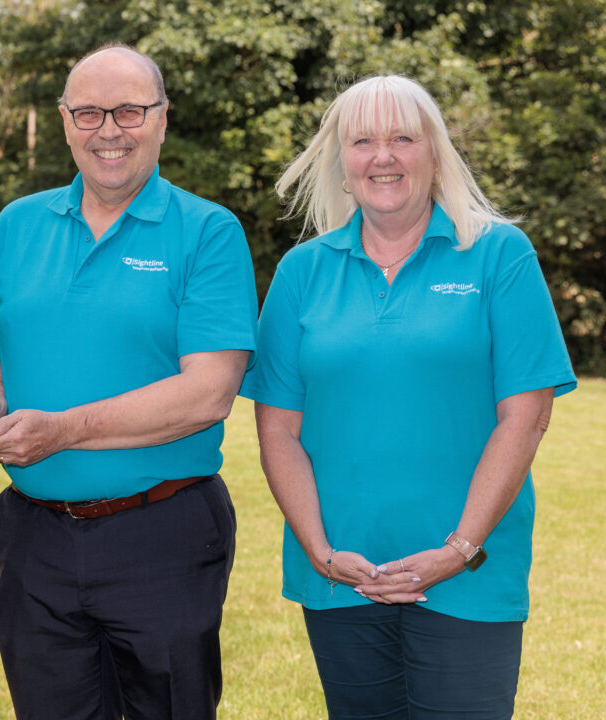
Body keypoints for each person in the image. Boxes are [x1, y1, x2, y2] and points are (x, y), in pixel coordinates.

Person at [240, 75, 577, 719]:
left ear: (434, 154)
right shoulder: (301, 272)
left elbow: (526, 418)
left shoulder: (498, 254)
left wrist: (458, 550)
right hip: (342, 577)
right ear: (343, 163)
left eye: (403, 137)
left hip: (470, 576)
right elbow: (277, 432)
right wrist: (322, 552)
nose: (383, 156)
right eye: (363, 140)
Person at [0, 44, 257, 719]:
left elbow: (209, 392)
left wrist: (64, 431)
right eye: (89, 112)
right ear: (65, 121)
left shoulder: (208, 231)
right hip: (35, 542)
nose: (109, 131)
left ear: (161, 119)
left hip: (163, 535)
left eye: (129, 111)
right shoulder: (17, 225)